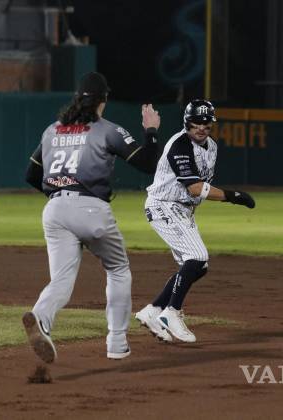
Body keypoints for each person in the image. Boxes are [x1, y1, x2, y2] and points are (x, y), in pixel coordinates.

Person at [23, 72, 161, 363]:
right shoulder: (108, 130)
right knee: (118, 269)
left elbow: (31, 174)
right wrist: (151, 130)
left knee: (61, 280)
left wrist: (60, 193)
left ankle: (41, 317)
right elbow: (148, 163)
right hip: (91, 209)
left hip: (55, 210)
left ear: (77, 98)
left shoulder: (52, 130)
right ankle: (117, 342)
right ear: (103, 100)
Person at [135, 99, 255, 343]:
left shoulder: (212, 147)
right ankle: (172, 312)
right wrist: (233, 196)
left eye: (206, 122)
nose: (201, 126)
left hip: (183, 211)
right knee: (198, 257)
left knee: (198, 266)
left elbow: (198, 189)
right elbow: (195, 188)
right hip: (164, 206)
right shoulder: (180, 145)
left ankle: (153, 310)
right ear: (186, 122)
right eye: (196, 122)